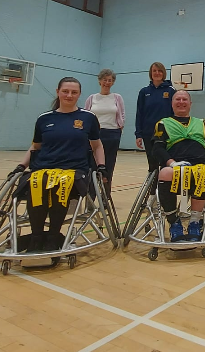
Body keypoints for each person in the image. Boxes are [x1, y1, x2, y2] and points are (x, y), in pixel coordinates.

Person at [11, 77, 106, 253]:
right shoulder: (44, 119)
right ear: (58, 92)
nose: (69, 95)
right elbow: (35, 147)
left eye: (74, 92)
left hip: (73, 171)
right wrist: (21, 166)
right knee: (36, 183)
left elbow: (97, 145)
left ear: (79, 94)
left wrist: (101, 166)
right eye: (65, 91)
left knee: (59, 184)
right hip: (44, 168)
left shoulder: (88, 117)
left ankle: (53, 237)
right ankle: (36, 237)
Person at [152, 90, 205, 242]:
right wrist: (172, 163)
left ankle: (194, 222)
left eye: (184, 99)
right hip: (176, 167)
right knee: (165, 173)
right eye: (177, 99)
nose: (181, 102)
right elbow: (157, 149)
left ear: (190, 104)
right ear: (172, 104)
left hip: (200, 166)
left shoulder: (201, 124)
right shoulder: (162, 124)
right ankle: (174, 223)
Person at [134, 62, 175, 184]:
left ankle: (163, 194)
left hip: (166, 134)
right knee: (152, 165)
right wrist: (138, 134)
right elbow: (139, 113)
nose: (157, 73)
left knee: (165, 164)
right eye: (154, 71)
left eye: (159, 71)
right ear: (150, 74)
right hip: (148, 134)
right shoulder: (144, 92)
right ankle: (152, 194)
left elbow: (174, 113)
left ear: (163, 73)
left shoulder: (171, 90)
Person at [84, 69, 125, 190]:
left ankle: (106, 197)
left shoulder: (117, 97)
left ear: (113, 83)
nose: (107, 82)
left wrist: (119, 128)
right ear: (99, 81)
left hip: (112, 134)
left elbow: (122, 115)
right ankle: (90, 198)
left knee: (109, 166)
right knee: (92, 165)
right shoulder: (92, 98)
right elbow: (86, 115)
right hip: (95, 134)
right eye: (105, 80)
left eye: (110, 80)